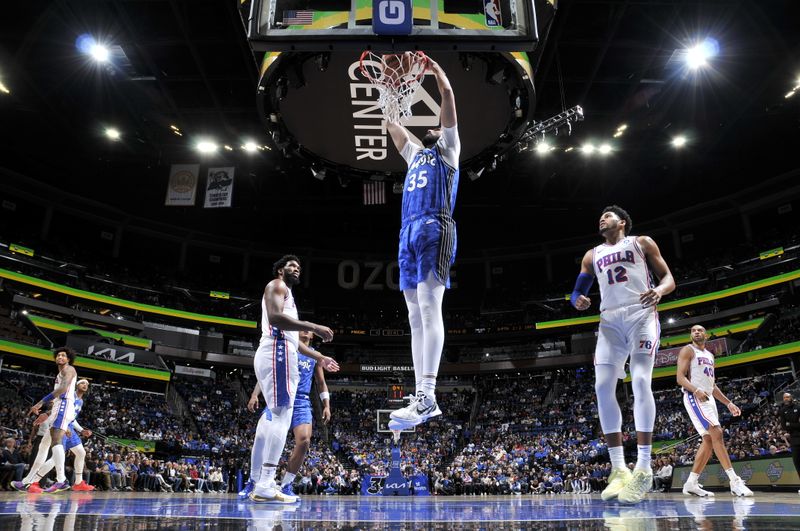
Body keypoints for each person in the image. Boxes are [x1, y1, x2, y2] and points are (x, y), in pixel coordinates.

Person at [571, 205, 675, 504]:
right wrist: (577, 299)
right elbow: (577, 290)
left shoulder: (641, 242)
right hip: (609, 321)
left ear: (623, 222)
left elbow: (668, 278)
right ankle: (619, 469)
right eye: (600, 215)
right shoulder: (592, 254)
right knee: (602, 387)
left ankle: (643, 468)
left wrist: (660, 291)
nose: (602, 218)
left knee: (641, 381)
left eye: (608, 215)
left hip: (641, 314)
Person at [385, 56, 460, 429]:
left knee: (430, 305)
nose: (431, 127)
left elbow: (446, 94)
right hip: (407, 231)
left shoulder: (448, 151)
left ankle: (429, 394)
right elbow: (394, 129)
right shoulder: (415, 155)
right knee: (414, 313)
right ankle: (420, 397)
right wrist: (389, 94)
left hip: (435, 226)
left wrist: (434, 69)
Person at [249, 254, 337, 503]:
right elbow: (276, 318)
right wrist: (314, 325)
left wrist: (320, 356)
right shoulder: (276, 286)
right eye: (292, 266)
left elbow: (294, 342)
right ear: (280, 270)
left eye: (299, 267)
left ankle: (260, 481)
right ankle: (264, 483)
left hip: (279, 351)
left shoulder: (288, 293)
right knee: (280, 415)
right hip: (276, 352)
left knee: (271, 421)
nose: (297, 269)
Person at [245, 330, 332, 501]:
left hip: (301, 400)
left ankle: (286, 485)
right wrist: (255, 394)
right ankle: (256, 481)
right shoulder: (286, 348)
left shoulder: (315, 356)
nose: (306, 330)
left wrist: (327, 405)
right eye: (302, 327)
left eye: (310, 330)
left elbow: (321, 383)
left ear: (313, 336)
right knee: (263, 436)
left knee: (305, 440)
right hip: (281, 395)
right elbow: (268, 374)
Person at [676, 325, 753, 497]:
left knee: (709, 441)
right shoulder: (687, 350)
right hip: (693, 396)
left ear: (706, 335)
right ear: (690, 335)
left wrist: (728, 403)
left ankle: (690, 483)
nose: (696, 332)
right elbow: (680, 377)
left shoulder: (710, 355)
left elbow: (712, 385)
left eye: (700, 330)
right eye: (693, 330)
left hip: (708, 398)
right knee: (717, 432)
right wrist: (695, 390)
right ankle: (734, 481)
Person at [13, 347, 78, 494]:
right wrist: (47, 413)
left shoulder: (69, 370)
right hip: (57, 409)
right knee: (43, 446)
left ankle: (61, 480)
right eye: (58, 355)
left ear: (68, 359)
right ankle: (27, 482)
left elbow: (62, 390)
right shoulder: (60, 372)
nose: (60, 357)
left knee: (56, 441)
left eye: (63, 355)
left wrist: (40, 403)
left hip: (63, 406)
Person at [25, 379, 95, 492]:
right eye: (82, 383)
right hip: (61, 425)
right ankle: (34, 482)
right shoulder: (70, 395)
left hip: (69, 426)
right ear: (76, 385)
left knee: (81, 453)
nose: (85, 385)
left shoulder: (80, 401)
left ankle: (78, 483)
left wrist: (82, 430)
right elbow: (58, 409)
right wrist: (53, 417)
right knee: (56, 458)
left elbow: (72, 417)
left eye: (87, 384)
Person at [778, 391, 800, 495]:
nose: (786, 399)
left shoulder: (798, 407)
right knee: (797, 462)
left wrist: (790, 424)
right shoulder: (782, 411)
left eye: (787, 397)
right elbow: (784, 427)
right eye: (784, 397)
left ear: (791, 398)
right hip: (794, 439)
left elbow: (789, 425)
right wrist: (794, 424)